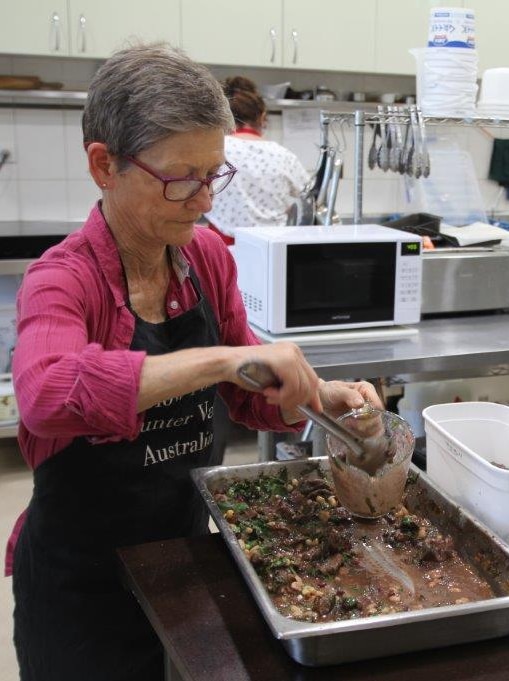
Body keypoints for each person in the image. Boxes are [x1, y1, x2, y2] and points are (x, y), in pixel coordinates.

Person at [6, 43, 382, 681]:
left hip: (183, 560)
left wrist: (320, 395)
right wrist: (217, 361)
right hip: (81, 587)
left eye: (215, 175)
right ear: (104, 165)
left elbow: (247, 396)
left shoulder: (206, 257)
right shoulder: (61, 280)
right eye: (183, 179)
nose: (206, 200)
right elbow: (46, 394)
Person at [204, 75, 309, 245]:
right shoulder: (283, 155)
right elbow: (309, 199)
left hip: (222, 247)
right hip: (274, 251)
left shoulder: (216, 149)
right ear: (262, 117)